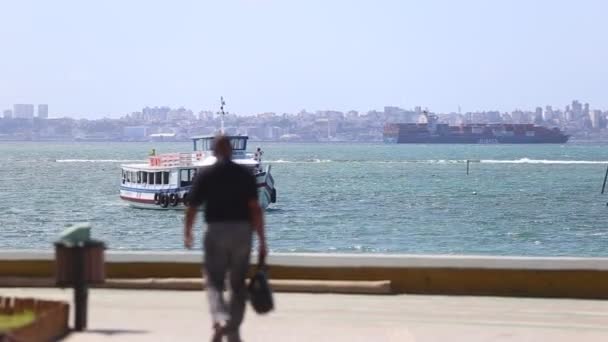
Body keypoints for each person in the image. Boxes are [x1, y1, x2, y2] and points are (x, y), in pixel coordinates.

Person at [184, 135, 267, 342]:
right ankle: (232, 329)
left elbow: (192, 207)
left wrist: (188, 232)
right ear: (230, 150)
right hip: (242, 232)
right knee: (238, 284)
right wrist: (263, 240)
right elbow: (255, 209)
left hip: (215, 231)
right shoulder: (244, 174)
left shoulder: (206, 174)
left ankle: (220, 319)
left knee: (214, 281)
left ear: (213, 151)